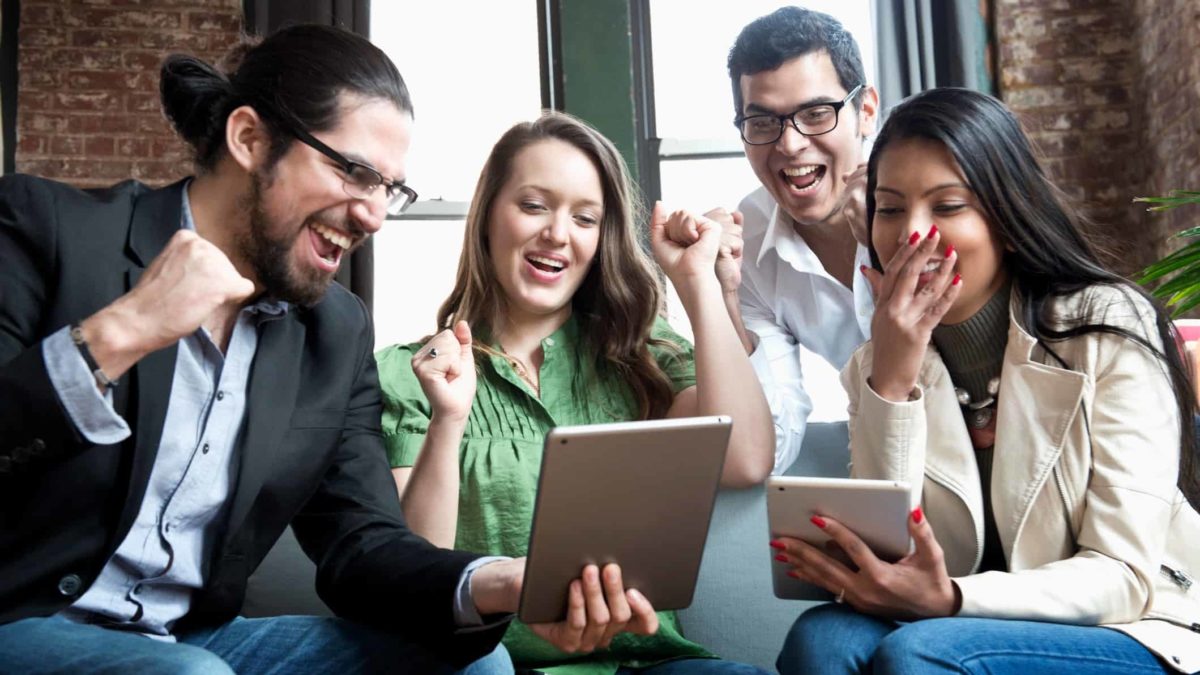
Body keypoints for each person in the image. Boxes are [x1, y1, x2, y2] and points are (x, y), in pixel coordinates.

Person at [0, 25, 596, 674]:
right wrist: (124, 331)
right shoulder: (46, 229)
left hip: (194, 642)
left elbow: (361, 541)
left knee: (479, 665)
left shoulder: (335, 331)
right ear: (250, 139)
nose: (372, 215)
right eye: (355, 172)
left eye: (387, 189)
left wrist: (497, 579)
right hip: (22, 622)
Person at [772, 87, 1200, 674]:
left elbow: (1123, 575)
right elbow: (888, 557)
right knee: (822, 638)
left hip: (1139, 625)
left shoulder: (1108, 326)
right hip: (963, 625)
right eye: (891, 210)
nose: (912, 235)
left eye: (947, 206)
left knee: (917, 653)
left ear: (1007, 214)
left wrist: (951, 599)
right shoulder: (877, 364)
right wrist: (892, 381)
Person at [376, 111, 774, 674]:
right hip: (494, 666)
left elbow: (747, 460)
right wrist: (449, 418)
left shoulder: (642, 356)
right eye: (534, 205)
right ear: (489, 215)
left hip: (646, 664)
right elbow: (422, 570)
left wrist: (696, 281)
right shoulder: (405, 373)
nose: (558, 234)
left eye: (585, 218)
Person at [703, 7, 881, 474]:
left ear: (865, 112)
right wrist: (717, 294)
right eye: (762, 123)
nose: (789, 144)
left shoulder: (931, 198)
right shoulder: (749, 245)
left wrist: (884, 248)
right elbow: (769, 452)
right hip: (888, 448)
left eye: (816, 114)